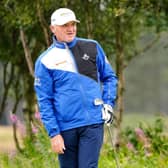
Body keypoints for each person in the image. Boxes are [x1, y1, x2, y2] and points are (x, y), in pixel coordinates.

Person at [34, 8, 118, 168]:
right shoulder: (45, 61)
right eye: (65, 25)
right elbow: (45, 101)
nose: (70, 28)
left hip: (92, 122)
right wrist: (54, 134)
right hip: (65, 129)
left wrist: (108, 104)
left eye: (73, 24)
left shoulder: (92, 47)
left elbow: (109, 77)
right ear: (53, 28)